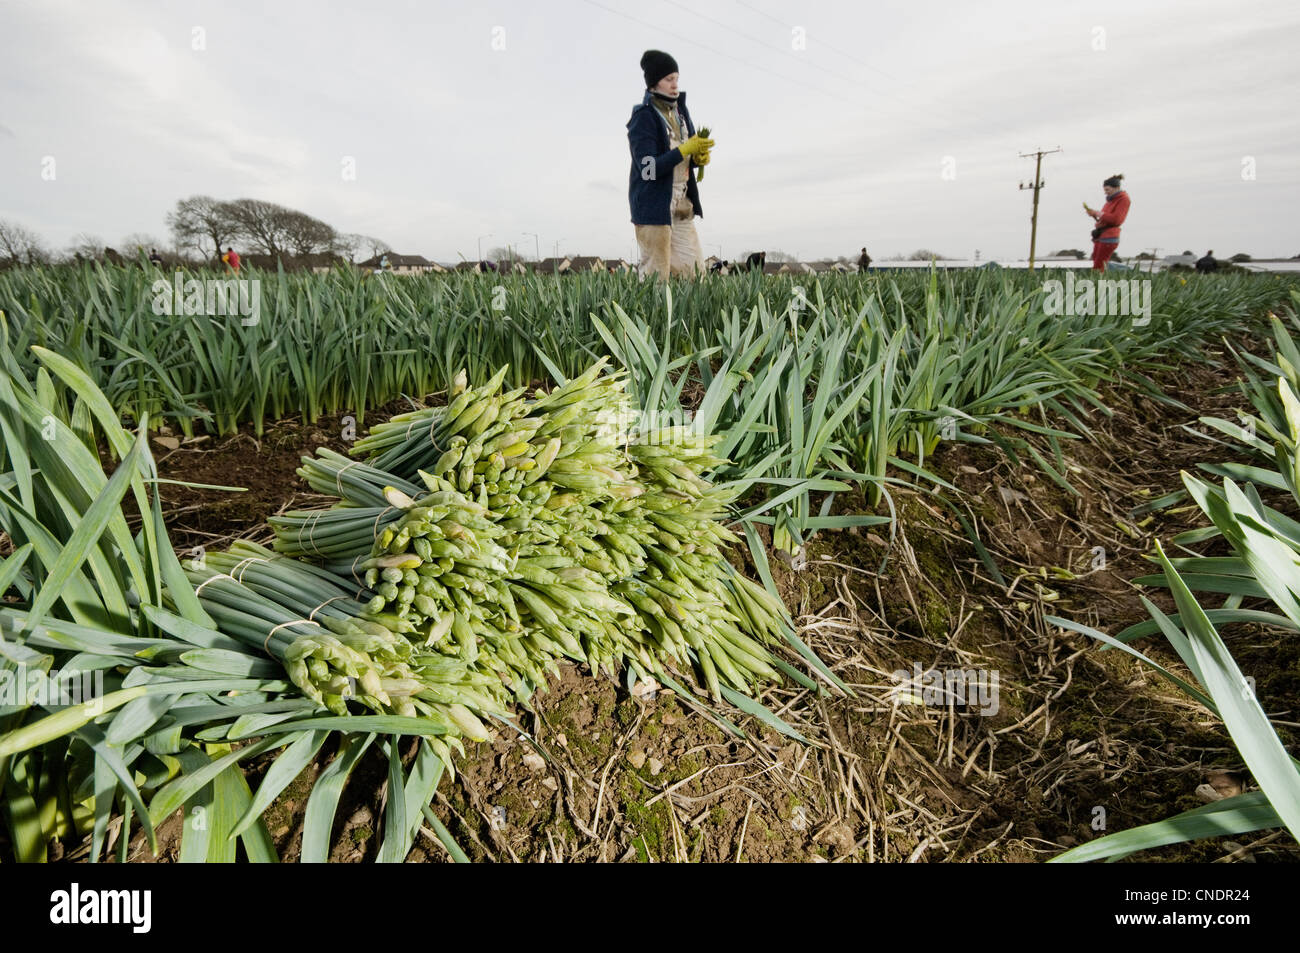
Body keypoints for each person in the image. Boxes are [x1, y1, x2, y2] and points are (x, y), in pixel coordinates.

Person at [626, 49, 714, 280]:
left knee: (695, 275)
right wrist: (683, 150)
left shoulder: (681, 113)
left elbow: (685, 156)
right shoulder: (643, 118)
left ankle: (691, 317)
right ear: (654, 84)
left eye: (677, 78)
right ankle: (651, 317)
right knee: (656, 279)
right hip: (654, 209)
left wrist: (698, 158)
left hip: (682, 204)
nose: (675, 85)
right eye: (669, 79)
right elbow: (647, 169)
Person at [1083, 174, 1130, 272]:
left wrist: (1097, 213)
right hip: (1101, 235)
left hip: (1109, 237)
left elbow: (1116, 220)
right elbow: (1105, 218)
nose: (1105, 193)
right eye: (1105, 190)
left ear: (1117, 188)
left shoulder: (1123, 199)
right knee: (1096, 263)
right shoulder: (1110, 201)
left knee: (1099, 266)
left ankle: (1098, 284)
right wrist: (1094, 215)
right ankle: (1097, 283)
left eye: (1108, 190)